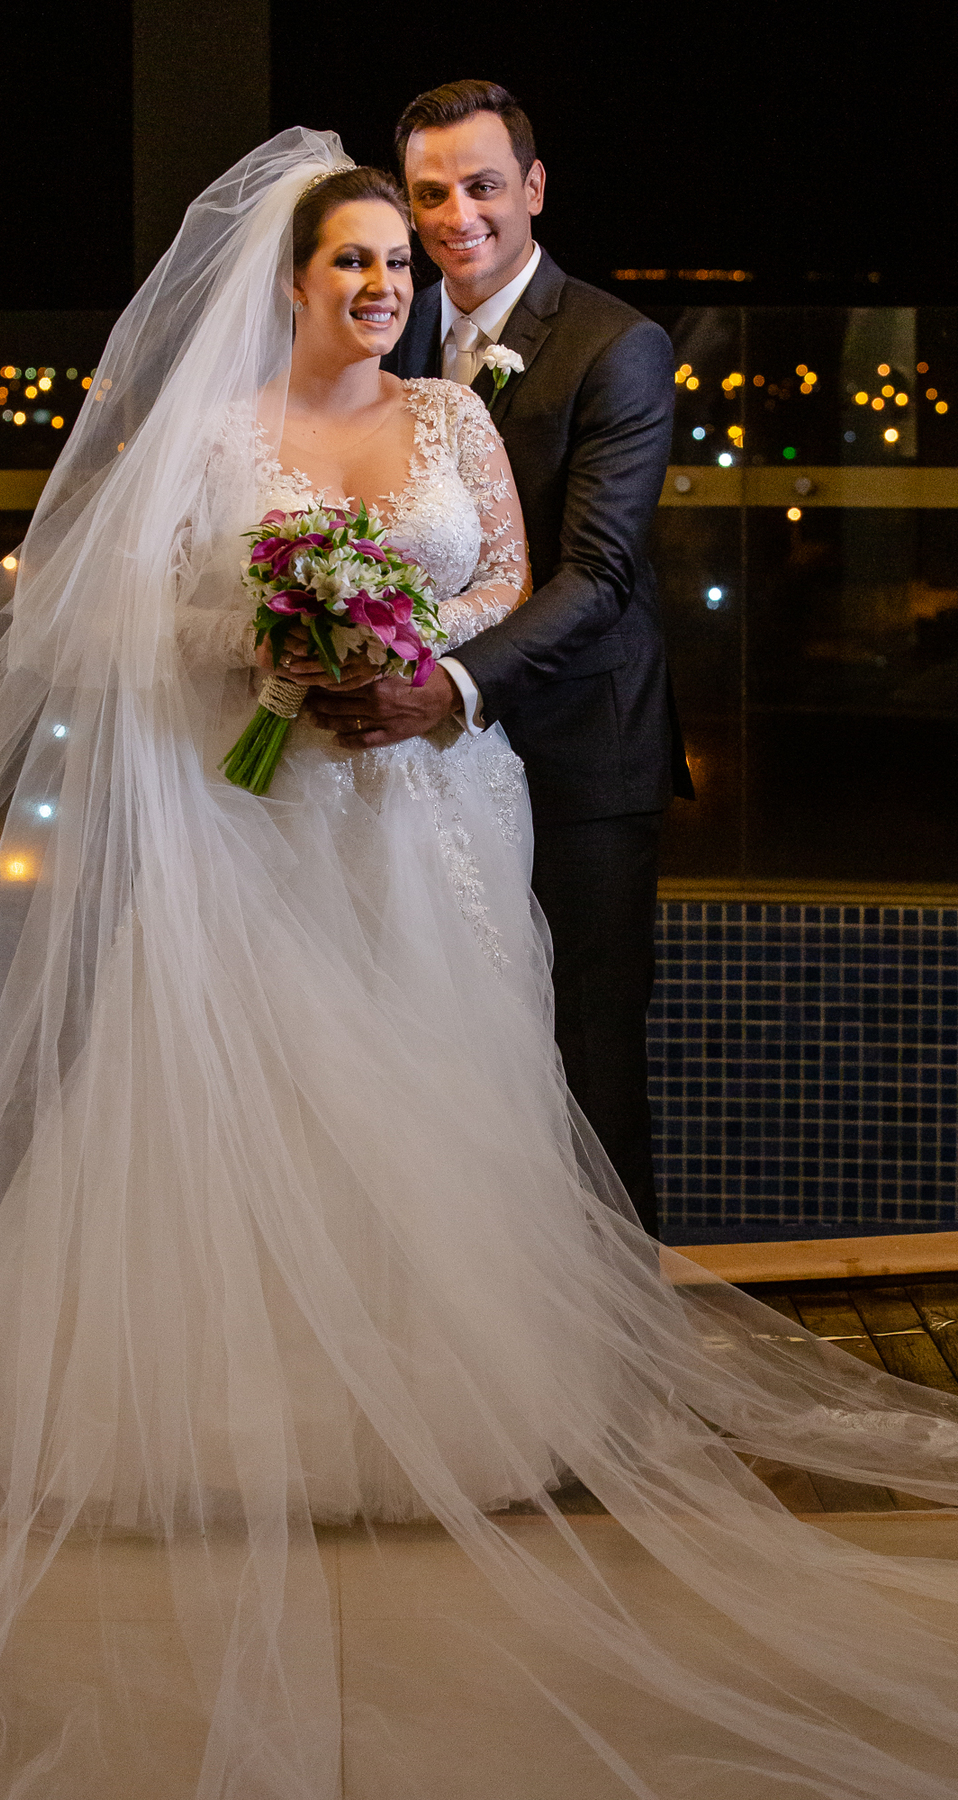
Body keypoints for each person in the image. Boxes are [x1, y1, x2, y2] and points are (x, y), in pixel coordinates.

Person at [0, 130, 958, 1800]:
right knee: (268, 1093)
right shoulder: (221, 432)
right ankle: (241, 1414)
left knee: (450, 1084)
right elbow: (127, 613)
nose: (390, 283)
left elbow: (513, 573)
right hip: (262, 814)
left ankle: (465, 1408)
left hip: (434, 802)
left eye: (403, 262)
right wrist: (278, 646)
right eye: (358, 261)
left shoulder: (455, 415)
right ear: (296, 280)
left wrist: (406, 652)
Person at [319, 79, 695, 1235]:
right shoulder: (386, 324)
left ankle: (614, 1338)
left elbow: (601, 573)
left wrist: (447, 686)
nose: (456, 216)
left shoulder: (616, 345)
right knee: (439, 1055)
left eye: (482, 186)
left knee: (584, 1060)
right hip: (415, 775)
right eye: (429, 194)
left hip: (581, 754)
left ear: (532, 187)